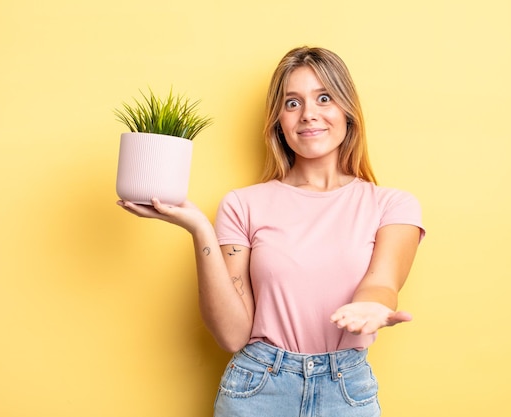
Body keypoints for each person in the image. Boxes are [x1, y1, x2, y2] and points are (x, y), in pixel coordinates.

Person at [117, 46, 425, 417]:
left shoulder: (392, 205)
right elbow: (232, 335)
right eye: (292, 103)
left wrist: (372, 306)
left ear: (347, 111)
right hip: (258, 387)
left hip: (346, 389)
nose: (308, 114)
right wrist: (200, 230)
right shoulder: (242, 205)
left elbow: (382, 283)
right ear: (278, 120)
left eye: (323, 98)